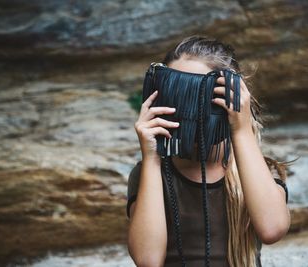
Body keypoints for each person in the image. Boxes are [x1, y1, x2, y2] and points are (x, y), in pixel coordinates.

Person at [126, 35, 294, 267]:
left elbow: (272, 228)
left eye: (197, 97)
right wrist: (153, 158)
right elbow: (148, 260)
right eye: (177, 95)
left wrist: (242, 129)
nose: (186, 110)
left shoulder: (258, 171)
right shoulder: (149, 173)